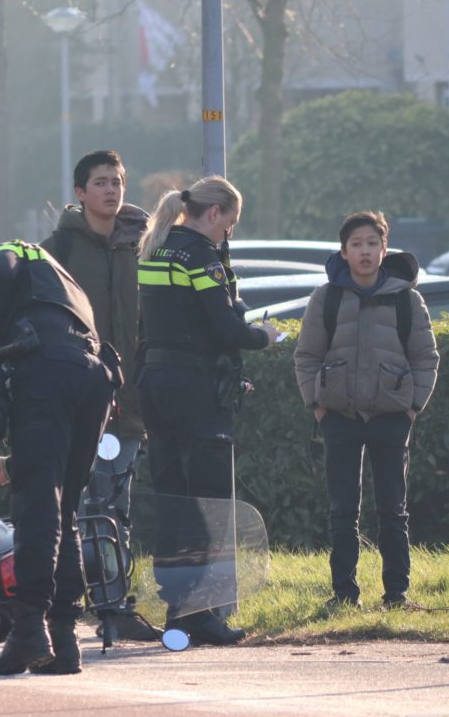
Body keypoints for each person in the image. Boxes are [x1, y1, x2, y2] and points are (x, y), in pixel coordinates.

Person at [0, 240, 117, 676]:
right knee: (64, 508)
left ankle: (28, 629)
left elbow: (1, 272)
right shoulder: (66, 283)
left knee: (37, 505)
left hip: (45, 374)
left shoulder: (12, 252)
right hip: (94, 380)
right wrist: (14, 464)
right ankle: (64, 640)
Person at [136, 175, 280, 645]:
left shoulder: (156, 250)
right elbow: (225, 328)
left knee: (173, 499)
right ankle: (201, 612)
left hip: (156, 384)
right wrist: (265, 336)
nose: (228, 236)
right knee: (210, 502)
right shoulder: (200, 256)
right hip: (197, 389)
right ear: (214, 213)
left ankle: (176, 605)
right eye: (229, 225)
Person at [292, 211, 439, 610]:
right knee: (343, 511)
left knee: (393, 510)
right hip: (338, 417)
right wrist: (317, 406)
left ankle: (397, 594)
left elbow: (426, 358)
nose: (365, 251)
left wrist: (411, 408)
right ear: (344, 251)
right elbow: (306, 356)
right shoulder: (327, 297)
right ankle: (343, 594)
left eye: (372, 243)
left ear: (384, 248)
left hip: (391, 419)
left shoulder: (408, 299)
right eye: (356, 244)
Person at [40, 150, 152, 639]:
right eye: (101, 182)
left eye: (118, 181)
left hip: (132, 402)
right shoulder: (58, 249)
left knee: (115, 504)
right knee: (77, 504)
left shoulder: (143, 246)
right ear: (80, 193)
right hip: (78, 397)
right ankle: (73, 599)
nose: (111, 190)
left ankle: (112, 603)